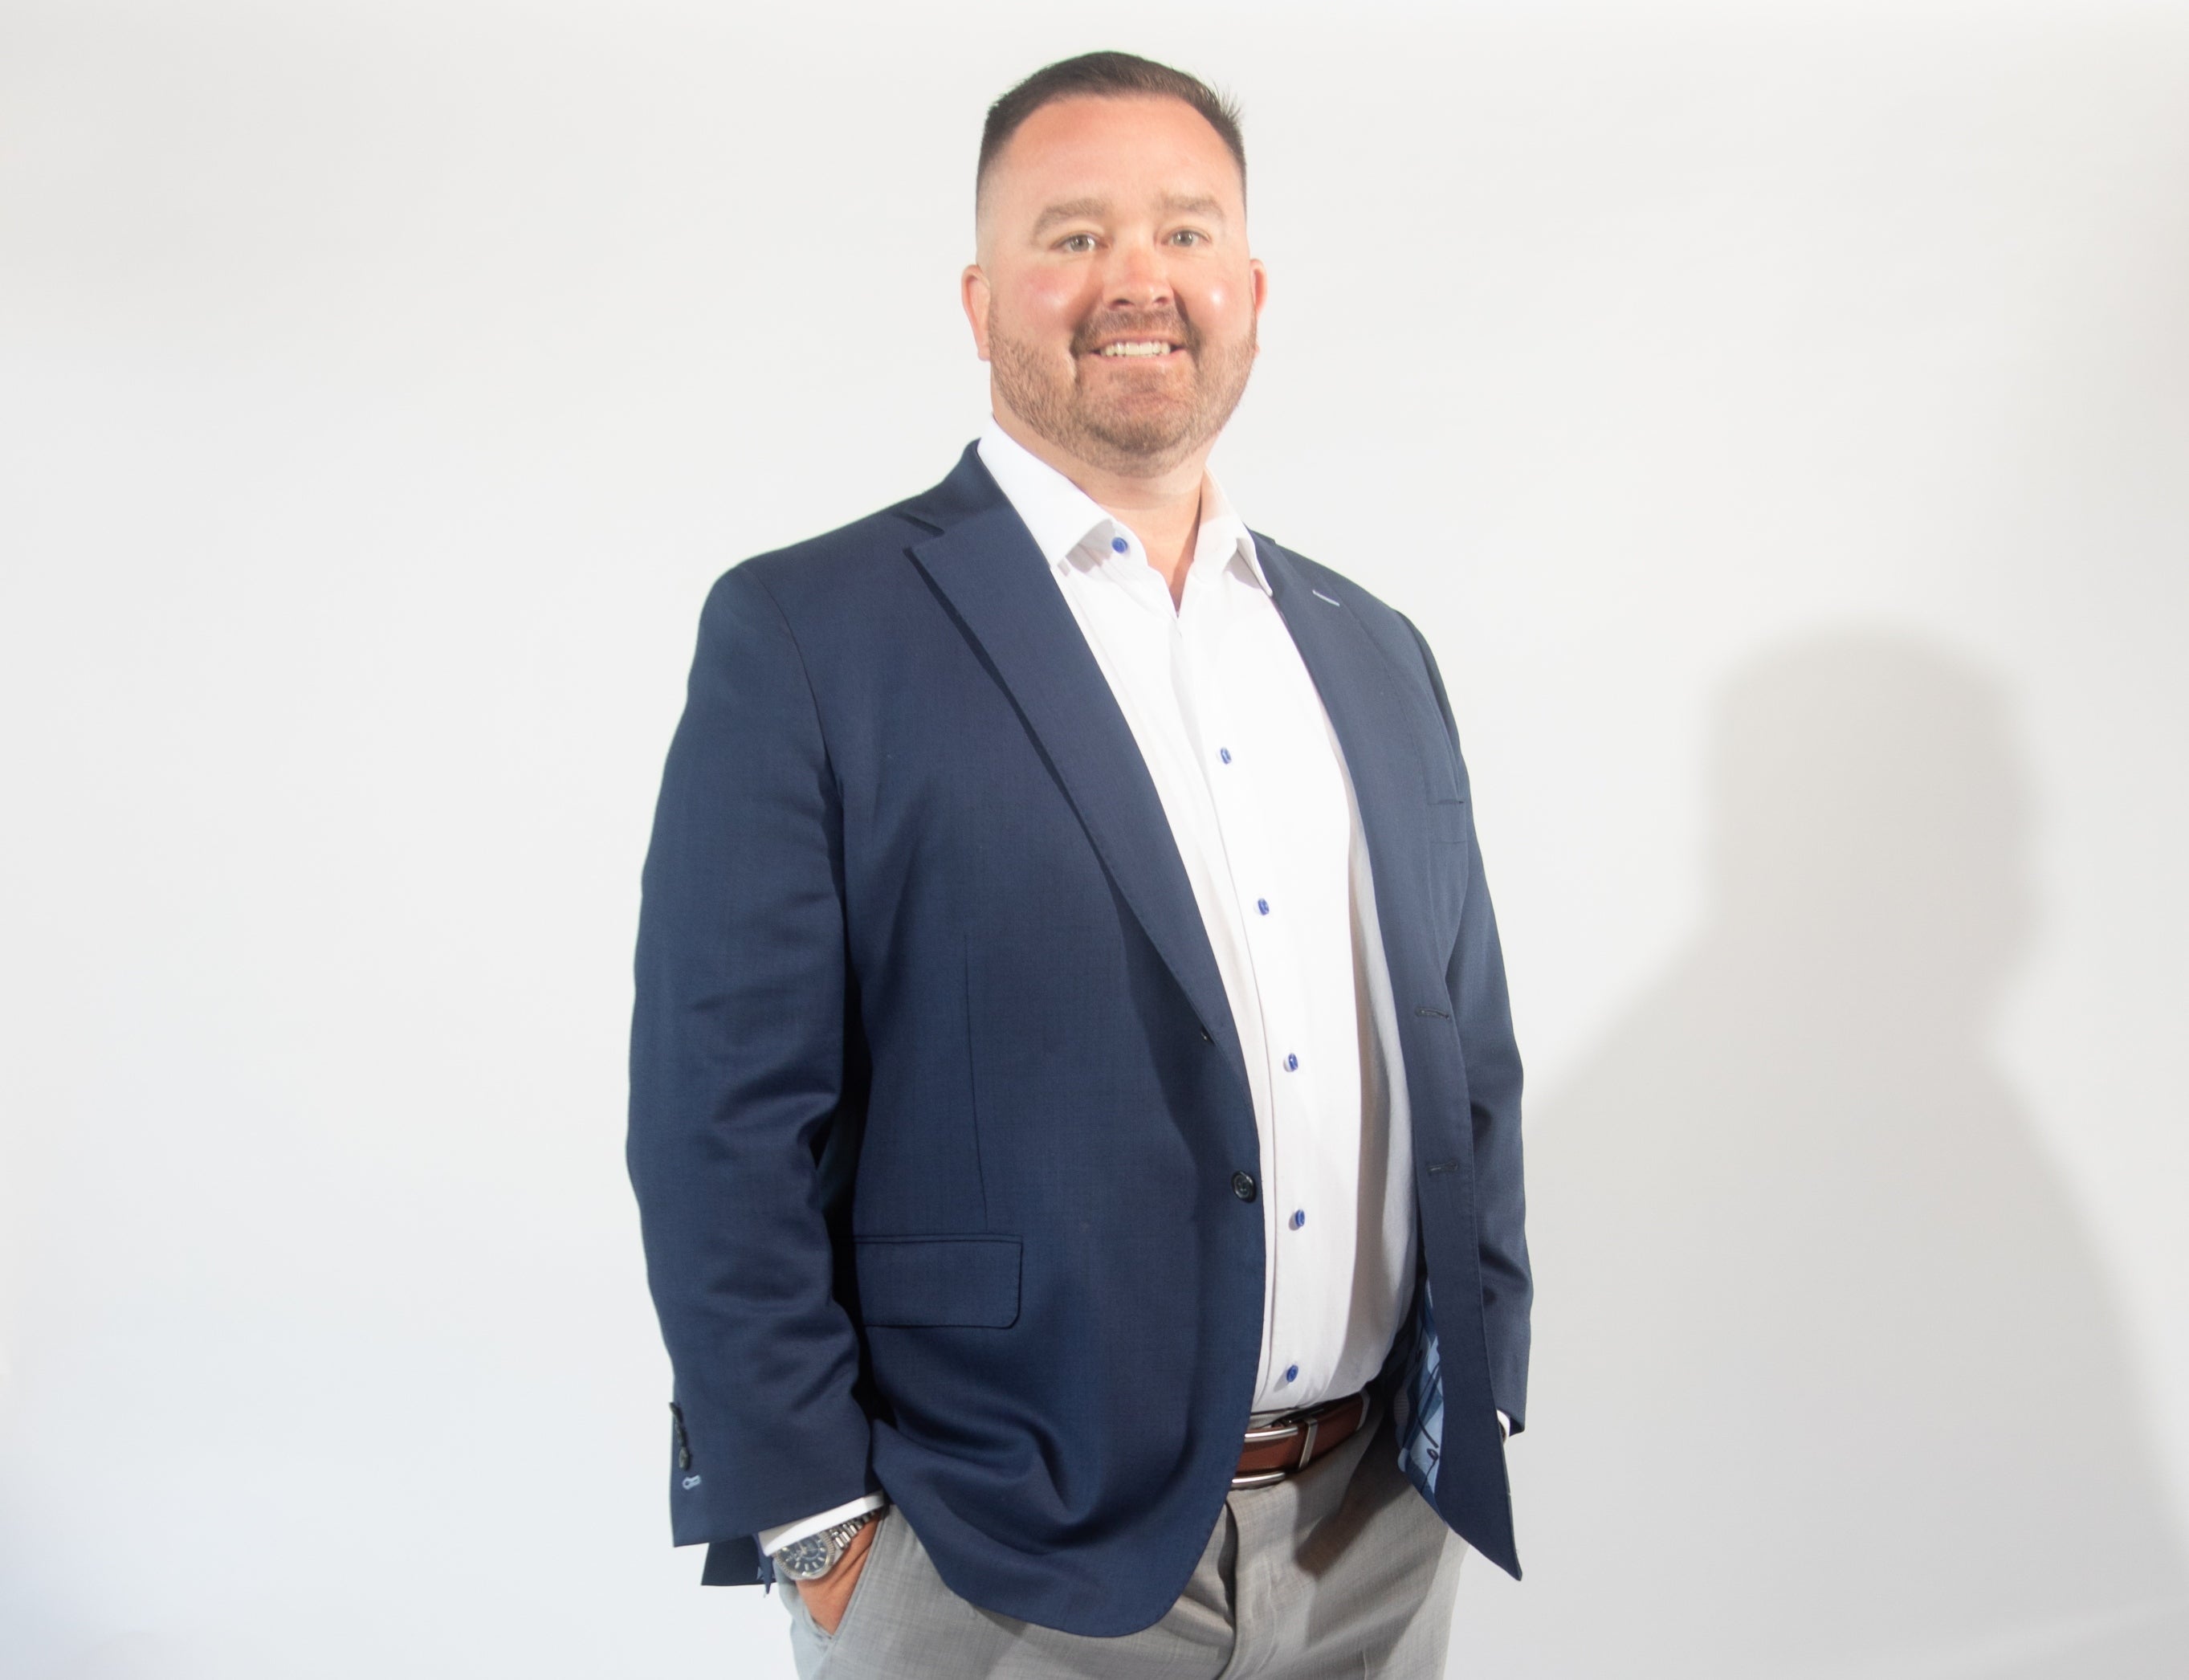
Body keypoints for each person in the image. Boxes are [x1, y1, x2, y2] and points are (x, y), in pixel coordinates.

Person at [627, 50, 1530, 1679]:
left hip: (1377, 1529)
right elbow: (719, 1114)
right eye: (1072, 236)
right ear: (980, 302)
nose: (1137, 279)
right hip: (996, 1548)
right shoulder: (814, 634)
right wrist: (818, 1524)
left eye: (1186, 234)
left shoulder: (1368, 647)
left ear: (1249, 288)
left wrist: (1487, 1369)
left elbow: (1465, 1051)